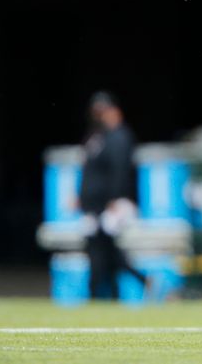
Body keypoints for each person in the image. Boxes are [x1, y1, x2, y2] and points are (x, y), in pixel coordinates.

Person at [79, 91, 147, 299]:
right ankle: (117, 289)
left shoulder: (119, 137)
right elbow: (89, 171)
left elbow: (120, 170)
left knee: (103, 247)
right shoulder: (96, 136)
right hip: (94, 205)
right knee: (103, 248)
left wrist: (115, 198)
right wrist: (80, 196)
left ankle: (104, 291)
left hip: (110, 204)